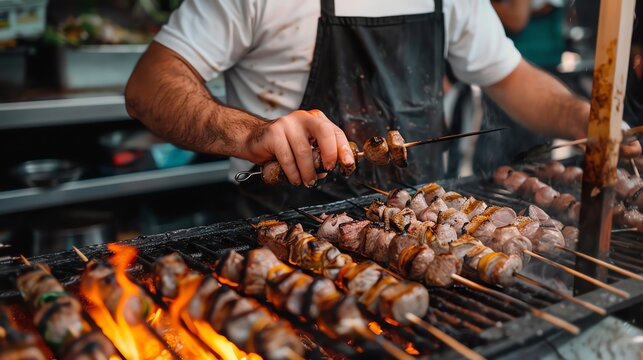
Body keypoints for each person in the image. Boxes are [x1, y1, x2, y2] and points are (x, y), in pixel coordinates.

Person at [125, 0, 640, 204]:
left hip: (421, 230)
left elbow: (513, 78)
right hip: (281, 237)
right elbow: (149, 87)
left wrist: (589, 121)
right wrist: (250, 133)